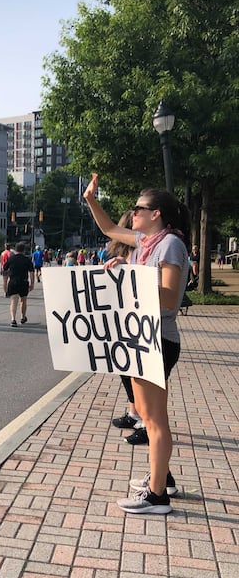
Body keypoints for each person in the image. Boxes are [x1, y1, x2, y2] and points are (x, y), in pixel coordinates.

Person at [83, 176, 189, 515]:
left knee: (154, 419)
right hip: (142, 338)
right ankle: (162, 477)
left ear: (155, 213)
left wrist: (129, 278)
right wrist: (90, 199)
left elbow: (170, 296)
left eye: (138, 208)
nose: (133, 214)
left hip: (157, 338)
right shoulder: (146, 242)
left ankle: (158, 496)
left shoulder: (169, 244)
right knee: (145, 414)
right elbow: (110, 228)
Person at [107, 211, 148, 446]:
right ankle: (135, 414)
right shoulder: (127, 252)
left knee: (136, 373)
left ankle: (143, 419)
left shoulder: (141, 250)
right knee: (127, 369)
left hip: (137, 319)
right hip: (125, 317)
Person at [3, 241, 34, 326]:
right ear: (24, 250)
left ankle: (13, 319)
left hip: (13, 281)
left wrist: (5, 283)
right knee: (23, 300)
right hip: (23, 282)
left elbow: (4, 270)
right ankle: (22, 317)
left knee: (14, 301)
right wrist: (32, 283)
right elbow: (31, 272)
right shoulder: (27, 260)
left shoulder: (11, 259)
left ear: (16, 250)